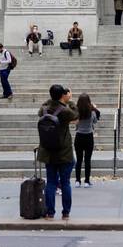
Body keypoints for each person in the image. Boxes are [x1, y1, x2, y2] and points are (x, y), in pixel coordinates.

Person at [37, 84, 78, 220]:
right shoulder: (65, 111)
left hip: (48, 151)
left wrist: (52, 100)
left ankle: (50, 213)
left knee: (51, 182)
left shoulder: (44, 109)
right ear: (63, 95)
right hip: (64, 151)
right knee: (65, 182)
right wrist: (69, 101)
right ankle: (65, 213)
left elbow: (42, 108)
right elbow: (76, 114)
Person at [74, 94, 100, 187]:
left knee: (79, 159)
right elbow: (95, 121)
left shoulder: (77, 112)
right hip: (88, 137)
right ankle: (87, 181)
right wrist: (95, 108)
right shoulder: (91, 112)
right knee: (87, 160)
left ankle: (77, 180)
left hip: (79, 136)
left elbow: (75, 123)